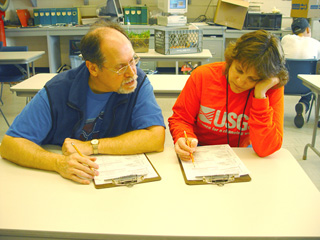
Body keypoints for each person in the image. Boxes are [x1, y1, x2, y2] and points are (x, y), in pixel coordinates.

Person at [0, 20, 166, 184]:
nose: (132, 72)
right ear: (93, 68)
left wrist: (93, 146)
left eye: (133, 60)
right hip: (65, 185)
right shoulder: (58, 91)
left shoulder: (138, 83)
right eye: (120, 67)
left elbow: (156, 138)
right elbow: (10, 145)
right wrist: (58, 163)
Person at [168, 30, 289, 160]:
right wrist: (183, 137)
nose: (241, 81)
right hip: (200, 151)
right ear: (231, 60)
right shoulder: (203, 76)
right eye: (239, 70)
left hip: (242, 154)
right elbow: (181, 119)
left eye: (252, 79)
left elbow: (266, 149)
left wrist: (260, 96)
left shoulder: (269, 89)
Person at [281, 18, 320, 128]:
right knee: (312, 84)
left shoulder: (285, 39)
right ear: (308, 29)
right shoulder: (316, 43)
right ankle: (304, 104)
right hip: (305, 87)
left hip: (284, 85)